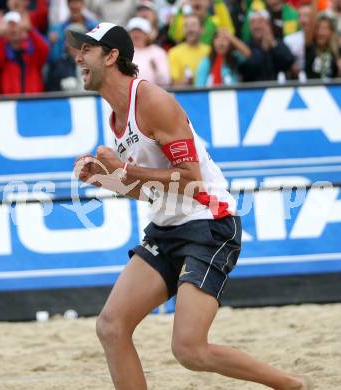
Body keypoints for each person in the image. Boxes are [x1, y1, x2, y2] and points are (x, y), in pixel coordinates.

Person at [67, 21, 311, 390]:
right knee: (111, 327)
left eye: (86, 49)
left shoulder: (150, 100)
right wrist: (106, 178)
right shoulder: (116, 117)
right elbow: (146, 190)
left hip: (208, 223)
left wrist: (124, 169)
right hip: (167, 228)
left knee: (189, 349)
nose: (78, 57)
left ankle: (293, 385)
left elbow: (191, 178)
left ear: (112, 55)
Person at [0, 11, 49, 94]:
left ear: (23, 29)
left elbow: (45, 49)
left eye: (15, 25)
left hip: (34, 102)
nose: (13, 29)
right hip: (10, 104)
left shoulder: (32, 53)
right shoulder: (3, 56)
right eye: (9, 26)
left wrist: (30, 30)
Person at [238, 9, 295, 82]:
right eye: (253, 22)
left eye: (260, 21)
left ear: (268, 24)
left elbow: (288, 61)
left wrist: (273, 44)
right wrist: (263, 50)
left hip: (278, 90)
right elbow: (245, 69)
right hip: (253, 91)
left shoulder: (277, 43)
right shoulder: (245, 46)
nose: (256, 26)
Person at [126, 17, 170, 86]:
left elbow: (166, 81)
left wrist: (156, 68)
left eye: (140, 31)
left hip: (152, 94)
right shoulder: (122, 52)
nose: (136, 35)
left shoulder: (158, 52)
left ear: (147, 34)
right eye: (133, 31)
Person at [168, 14, 210, 85]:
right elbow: (173, 82)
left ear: (202, 29)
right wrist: (186, 82)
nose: (190, 29)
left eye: (193, 25)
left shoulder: (210, 51)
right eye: (186, 26)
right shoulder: (174, 52)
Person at [168, 0, 235, 45]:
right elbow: (176, 36)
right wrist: (180, 11)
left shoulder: (214, 21)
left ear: (208, 2)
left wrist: (218, 2)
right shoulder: (185, 21)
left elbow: (228, 30)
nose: (197, 1)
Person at [304, 0, 340, 79]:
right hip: (310, 89)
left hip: (332, 90)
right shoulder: (310, 47)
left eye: (325, 29)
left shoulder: (336, 51)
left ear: (331, 32)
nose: (320, 32)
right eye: (318, 28)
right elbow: (311, 23)